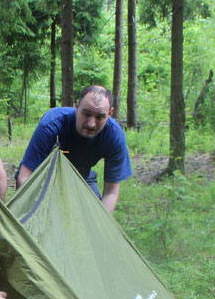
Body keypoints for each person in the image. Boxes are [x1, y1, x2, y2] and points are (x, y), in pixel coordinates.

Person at [16, 85, 132, 213]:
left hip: (82, 178)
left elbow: (111, 193)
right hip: (44, 178)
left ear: (110, 114)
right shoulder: (52, 124)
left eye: (99, 117)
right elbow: (25, 178)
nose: (91, 124)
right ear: (77, 107)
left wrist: (100, 226)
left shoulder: (114, 136)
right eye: (86, 114)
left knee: (91, 216)